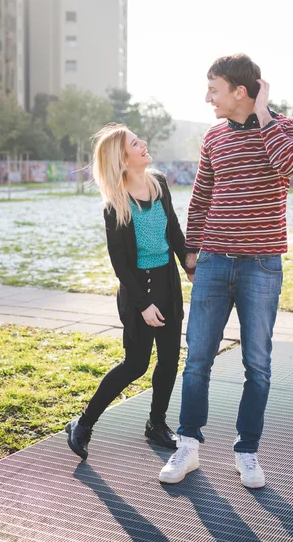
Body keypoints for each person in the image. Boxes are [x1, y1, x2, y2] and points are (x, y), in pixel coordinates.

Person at [159, 53, 293, 487]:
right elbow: (201, 195)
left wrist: (263, 114)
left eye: (214, 90)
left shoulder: (287, 129)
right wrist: (191, 251)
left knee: (257, 364)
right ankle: (188, 446)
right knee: (197, 359)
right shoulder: (214, 137)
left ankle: (247, 452)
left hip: (262, 266)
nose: (208, 99)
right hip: (214, 262)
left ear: (241, 92)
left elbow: (289, 166)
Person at [65, 123, 193, 460]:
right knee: (135, 365)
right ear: (122, 159)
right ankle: (84, 423)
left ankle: (156, 423)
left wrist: (188, 266)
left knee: (168, 360)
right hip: (139, 290)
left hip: (167, 283)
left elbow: (174, 229)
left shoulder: (159, 182)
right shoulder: (115, 204)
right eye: (136, 143)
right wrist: (144, 306)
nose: (144, 144)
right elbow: (120, 264)